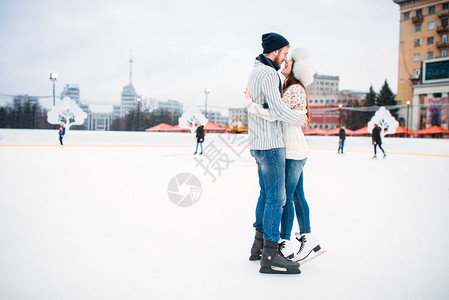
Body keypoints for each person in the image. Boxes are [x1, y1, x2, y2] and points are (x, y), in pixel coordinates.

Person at [246, 48, 322, 265]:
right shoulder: (288, 86)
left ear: (296, 67)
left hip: (292, 150)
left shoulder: (295, 89)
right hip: (291, 150)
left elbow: (275, 113)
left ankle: (286, 242)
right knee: (296, 195)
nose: (285, 61)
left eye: (289, 60)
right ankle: (307, 238)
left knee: (287, 198)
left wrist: (251, 104)